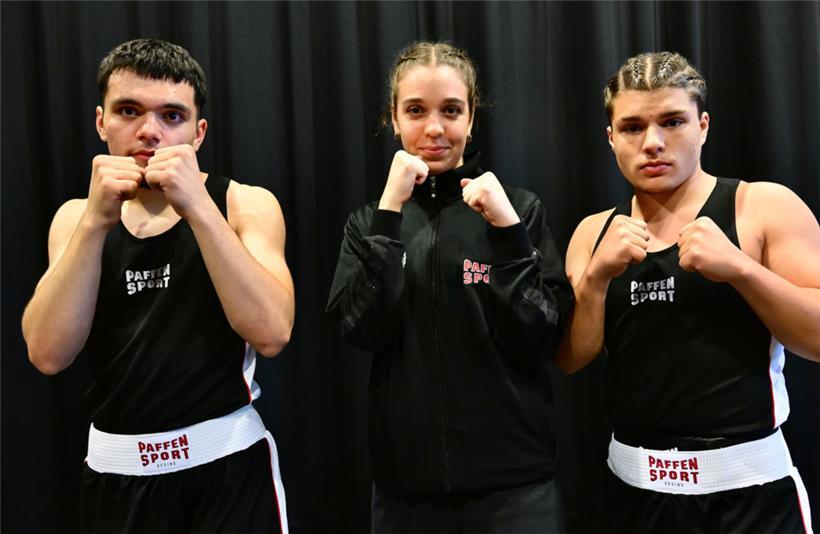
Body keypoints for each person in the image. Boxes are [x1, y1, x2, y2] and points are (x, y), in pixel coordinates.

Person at [21, 38, 294, 533]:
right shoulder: (74, 220)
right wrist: (94, 224)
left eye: (172, 116)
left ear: (198, 133)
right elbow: (46, 353)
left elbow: (273, 333)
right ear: (102, 121)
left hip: (228, 474)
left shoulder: (243, 205)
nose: (150, 132)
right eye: (129, 111)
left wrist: (198, 208)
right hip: (116, 478)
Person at [556, 51, 818, 533]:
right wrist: (594, 281)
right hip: (633, 496)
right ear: (611, 137)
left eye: (672, 121)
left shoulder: (761, 207)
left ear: (703, 125)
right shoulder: (592, 233)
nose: (653, 142)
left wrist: (742, 269)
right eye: (632, 127)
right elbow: (571, 358)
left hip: (751, 497)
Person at [326, 41, 573, 533]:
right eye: (415, 111)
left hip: (515, 492)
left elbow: (540, 336)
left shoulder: (520, 208)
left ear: (472, 117)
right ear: (393, 119)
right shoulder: (367, 222)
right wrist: (389, 214)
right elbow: (359, 330)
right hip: (404, 497)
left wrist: (508, 232)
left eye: (451, 110)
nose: (434, 128)